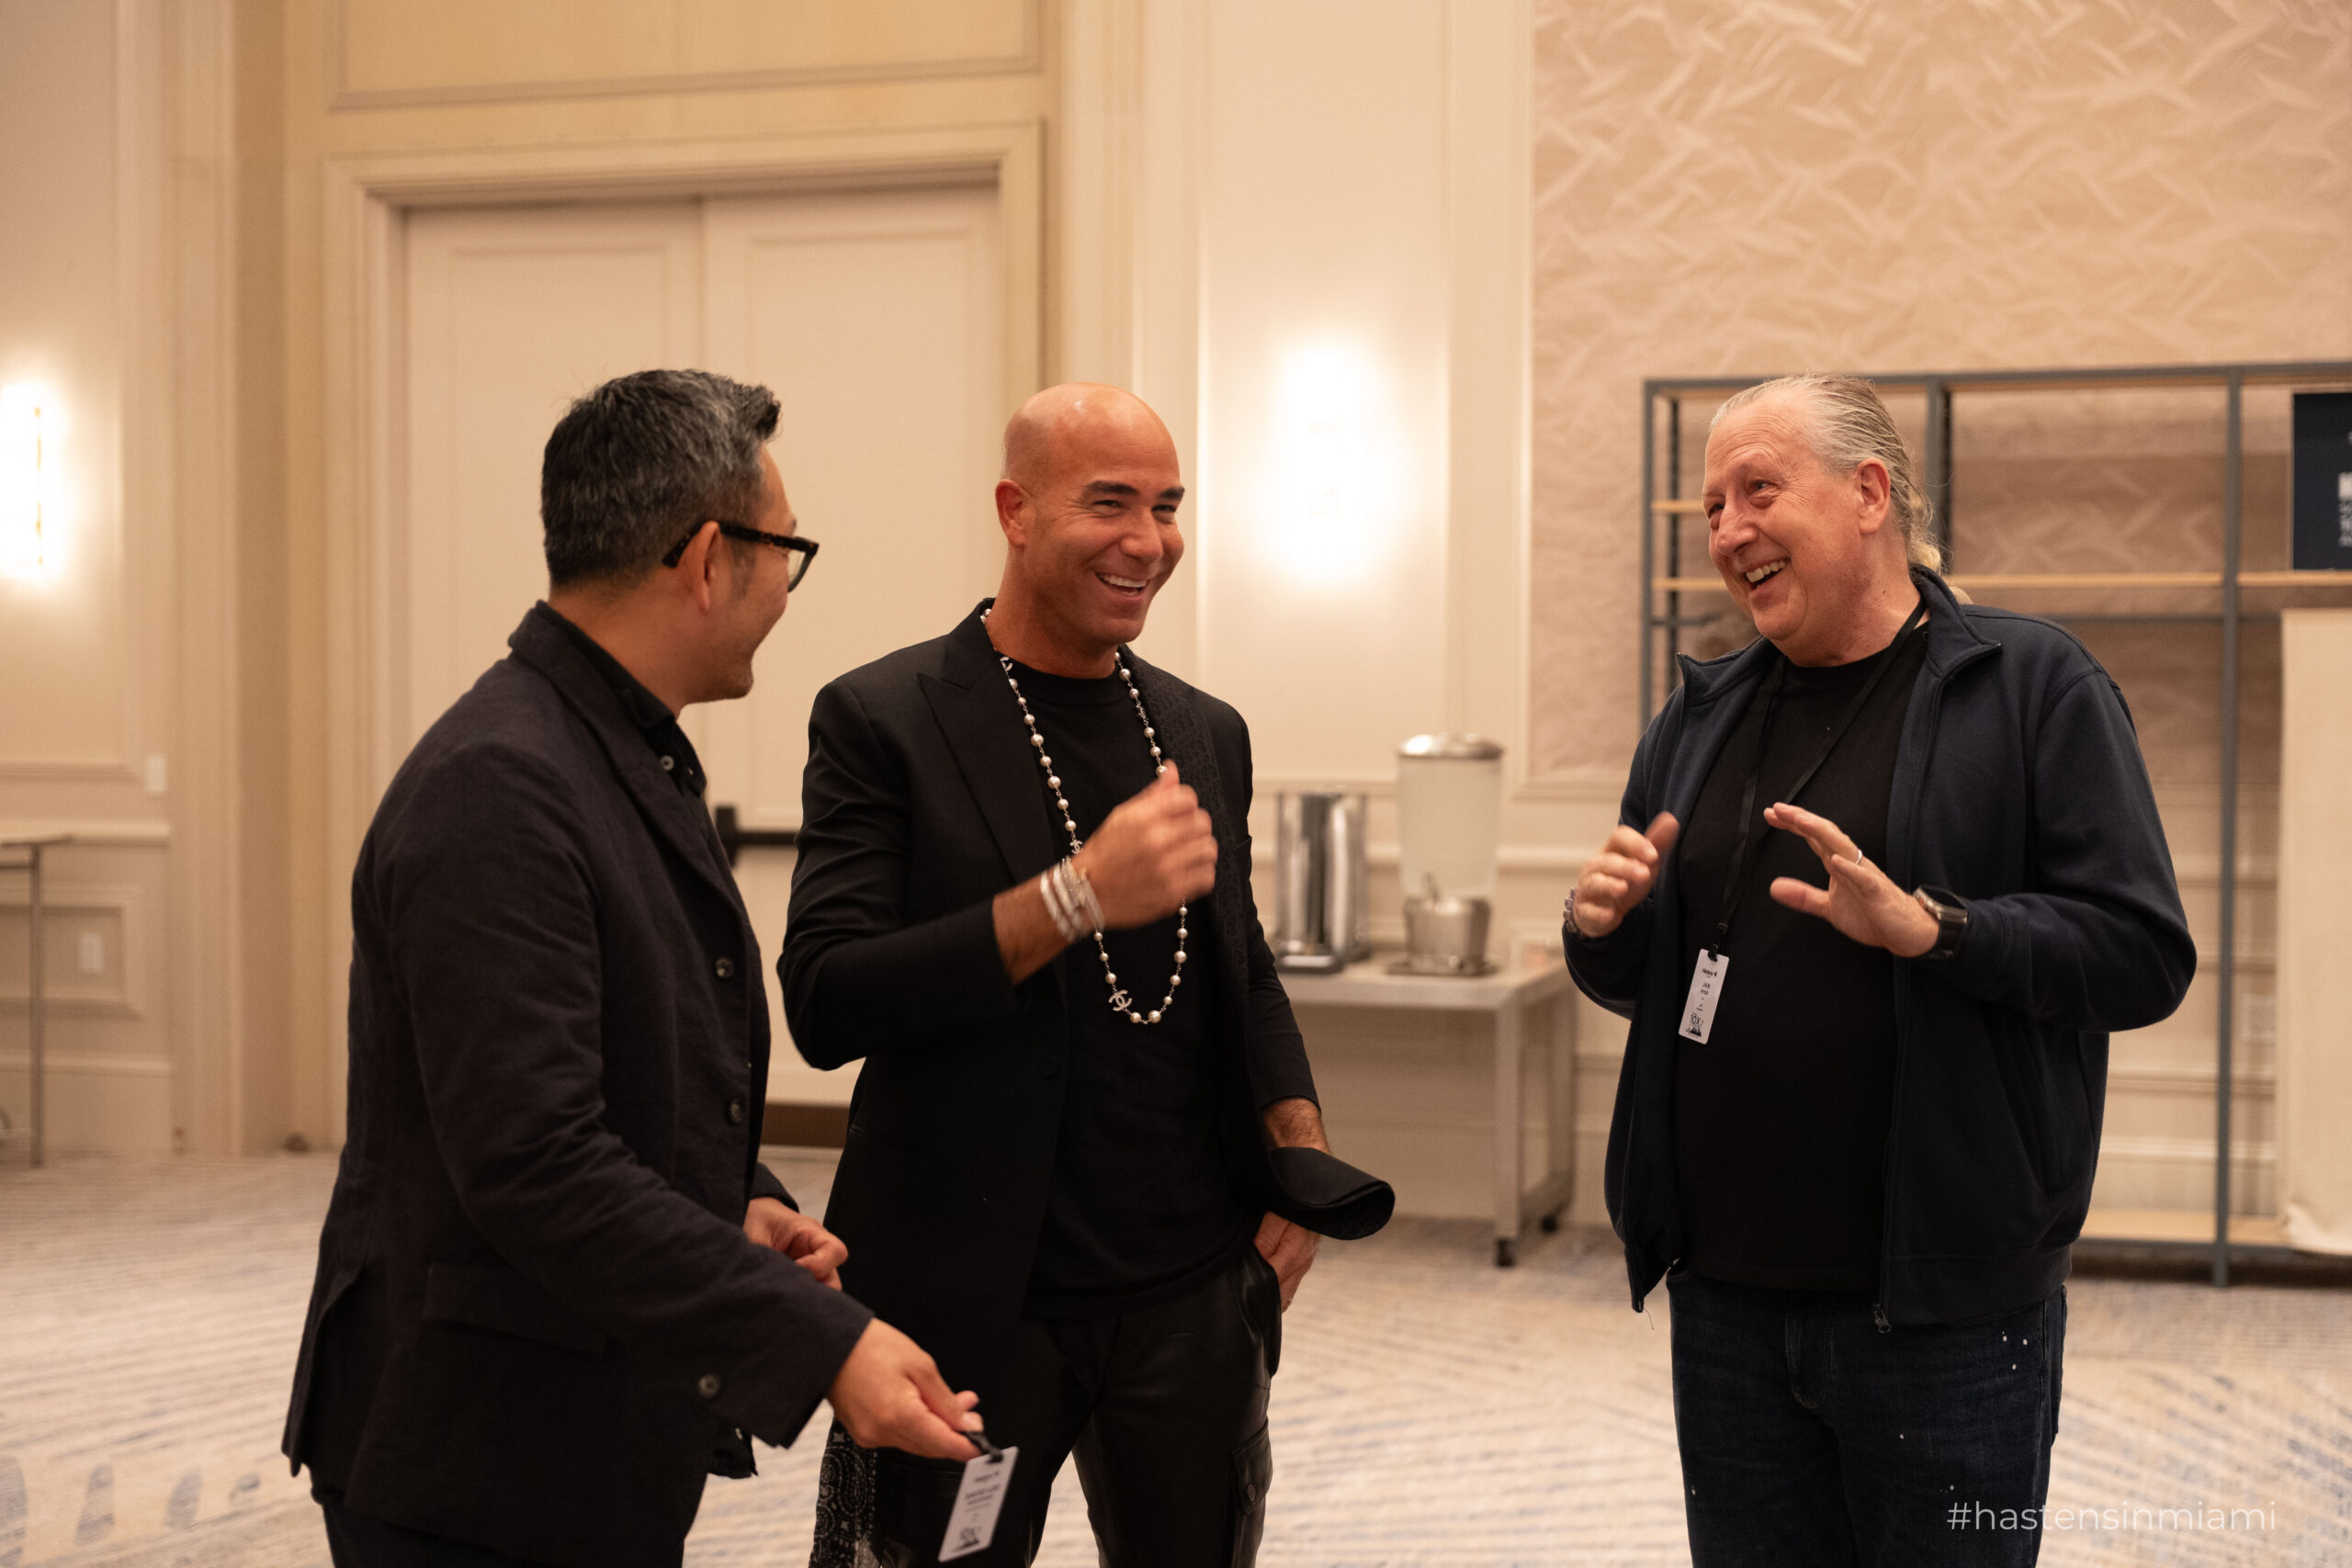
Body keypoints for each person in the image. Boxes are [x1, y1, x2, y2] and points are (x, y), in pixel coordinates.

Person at [283, 370, 982, 1568]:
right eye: (786, 552)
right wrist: (822, 1342)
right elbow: (535, 1162)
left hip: (576, 1428)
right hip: (474, 1454)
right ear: (710, 559)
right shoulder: (501, 785)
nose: (786, 590)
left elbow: (631, 1062)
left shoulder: (608, 746)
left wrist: (734, 1196)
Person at [1566, 374, 2195, 1566]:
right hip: (1726, 1297)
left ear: (1868, 495)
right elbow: (1657, 980)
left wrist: (1937, 930)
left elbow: (2142, 954)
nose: (1728, 531)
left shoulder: (2032, 687)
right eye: (1711, 508)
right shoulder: (1697, 717)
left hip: (1946, 1311)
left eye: (1758, 490)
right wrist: (1602, 926)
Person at [782, 383, 1391, 1567]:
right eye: (1109, 503)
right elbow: (827, 998)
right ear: (1015, 511)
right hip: (968, 1304)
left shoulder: (1204, 730)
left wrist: (1296, 1149)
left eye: (1167, 506)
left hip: (1190, 1293)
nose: (1148, 540)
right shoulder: (884, 716)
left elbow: (1242, 965)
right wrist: (1075, 897)